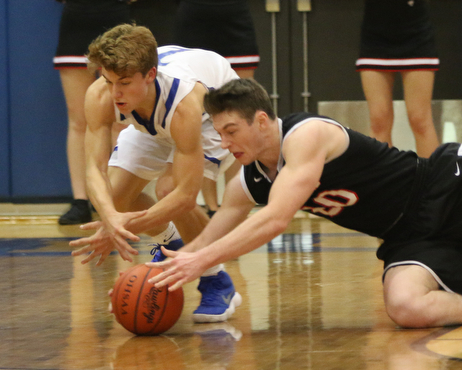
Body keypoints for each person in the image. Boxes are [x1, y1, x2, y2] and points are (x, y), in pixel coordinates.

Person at [148, 78, 462, 329]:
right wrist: (152, 278)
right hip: (407, 237)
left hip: (445, 187)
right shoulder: (249, 181)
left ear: (261, 121)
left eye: (231, 131)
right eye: (219, 134)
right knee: (404, 306)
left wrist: (201, 261)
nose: (225, 144)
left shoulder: (306, 134)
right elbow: (205, 240)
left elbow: (275, 219)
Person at [69, 24, 242, 322]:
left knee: (167, 190)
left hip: (215, 111)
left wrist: (124, 228)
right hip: (152, 115)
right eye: (108, 80)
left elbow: (186, 197)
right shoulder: (101, 95)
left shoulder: (185, 102)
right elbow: (94, 169)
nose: (114, 92)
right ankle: (172, 245)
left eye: (123, 82)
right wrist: (111, 219)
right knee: (115, 197)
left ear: (149, 75)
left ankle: (217, 280)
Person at [173, 0, 260, 216]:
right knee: (199, 117)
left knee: (241, 112)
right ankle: (211, 206)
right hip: (193, 20)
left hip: (233, 17)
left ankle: (237, 203)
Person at [54, 0, 134, 225]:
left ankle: (118, 197)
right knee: (79, 120)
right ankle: (81, 200)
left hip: (117, 23)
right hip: (76, 22)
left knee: (121, 121)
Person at [356, 0, 440, 158]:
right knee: (379, 121)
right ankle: (382, 181)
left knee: (420, 120)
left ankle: (433, 180)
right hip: (375, 37)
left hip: (416, 34)